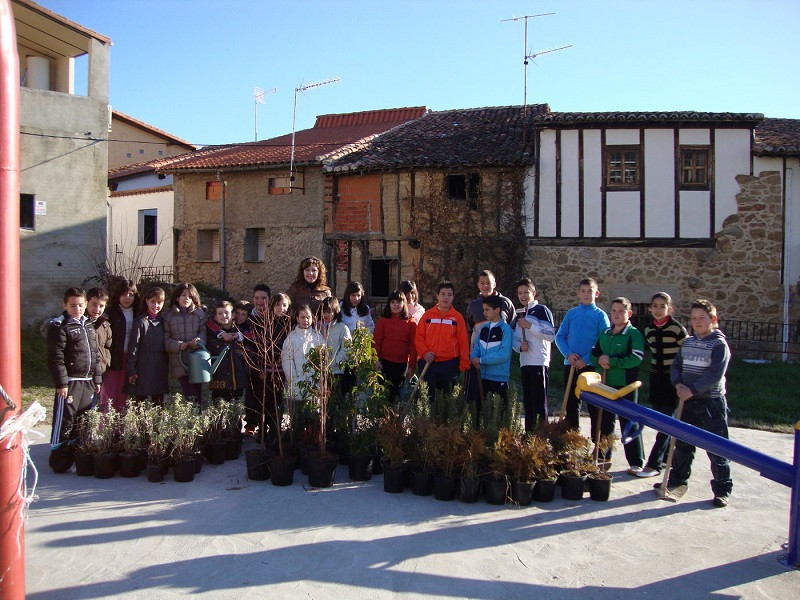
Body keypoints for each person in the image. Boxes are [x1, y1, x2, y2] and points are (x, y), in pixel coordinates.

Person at [667, 299, 732, 508]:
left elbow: (714, 374)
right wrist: (678, 385)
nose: (697, 322)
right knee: (682, 444)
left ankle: (722, 490)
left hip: (710, 402)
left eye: (702, 318)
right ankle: (677, 481)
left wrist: (692, 390)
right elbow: (676, 366)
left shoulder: (719, 344)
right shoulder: (688, 342)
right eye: (694, 318)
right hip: (686, 401)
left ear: (713, 319)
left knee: (717, 448)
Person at [47, 287, 102, 473]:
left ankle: (76, 455)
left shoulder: (88, 325)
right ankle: (59, 459)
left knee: (82, 420)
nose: (77, 309)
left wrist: (97, 378)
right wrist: (61, 383)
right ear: (65, 305)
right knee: (65, 421)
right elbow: (56, 358)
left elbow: (94, 355)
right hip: (70, 383)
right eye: (72, 305)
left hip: (87, 382)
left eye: (80, 305)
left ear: (85, 304)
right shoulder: (60, 326)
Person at [589, 297, 646, 474]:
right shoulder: (605, 333)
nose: (616, 314)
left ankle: (636, 460)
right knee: (604, 421)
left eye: (621, 311)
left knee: (628, 421)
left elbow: (636, 358)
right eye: (613, 311)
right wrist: (599, 359)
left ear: (629, 313)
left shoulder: (634, 334)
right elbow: (593, 353)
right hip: (605, 385)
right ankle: (603, 455)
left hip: (625, 385)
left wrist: (612, 361)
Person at [639, 292, 688, 478]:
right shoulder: (649, 330)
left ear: (670, 308)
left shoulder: (677, 329)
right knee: (661, 420)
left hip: (673, 380)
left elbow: (687, 353)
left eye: (662, 306)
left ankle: (654, 464)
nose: (658, 310)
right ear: (650, 308)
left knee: (666, 422)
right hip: (656, 379)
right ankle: (667, 458)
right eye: (655, 306)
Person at [554, 277, 610, 430]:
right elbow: (559, 337)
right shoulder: (572, 313)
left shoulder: (600, 316)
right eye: (583, 291)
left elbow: (603, 341)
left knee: (594, 406)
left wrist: (586, 359)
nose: (586, 294)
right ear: (578, 293)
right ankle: (571, 439)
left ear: (596, 293)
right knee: (571, 403)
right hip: (571, 364)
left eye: (590, 291)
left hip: (590, 366)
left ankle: (597, 445)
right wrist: (568, 354)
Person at [512, 277, 555, 432]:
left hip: (539, 361)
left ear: (534, 293)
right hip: (525, 362)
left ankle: (542, 436)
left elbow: (550, 335)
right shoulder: (519, 314)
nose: (523, 296)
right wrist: (519, 347)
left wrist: (530, 326)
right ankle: (529, 435)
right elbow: (515, 340)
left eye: (526, 292)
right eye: (520, 293)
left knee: (539, 402)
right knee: (528, 402)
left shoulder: (542, 310)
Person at [414, 280, 470, 399]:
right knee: (427, 399)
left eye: (449, 294)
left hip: (449, 364)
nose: (446, 297)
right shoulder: (427, 316)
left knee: (446, 400)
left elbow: (463, 342)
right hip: (429, 363)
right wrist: (424, 353)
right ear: (437, 296)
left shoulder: (457, 318)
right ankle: (426, 418)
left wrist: (463, 364)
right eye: (443, 294)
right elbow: (419, 337)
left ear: (453, 297)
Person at [470, 295, 514, 422]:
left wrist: (482, 360)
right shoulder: (484, 328)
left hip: (498, 378)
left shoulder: (506, 330)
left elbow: (504, 354)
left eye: (487, 309)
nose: (484, 313)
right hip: (482, 377)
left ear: (497, 310)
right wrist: (474, 357)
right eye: (483, 309)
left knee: (497, 416)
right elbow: (476, 346)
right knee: (479, 415)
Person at [163, 282, 207, 402]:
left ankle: (196, 418)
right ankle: (193, 417)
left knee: (197, 393)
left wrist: (198, 341)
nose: (186, 298)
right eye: (183, 295)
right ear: (177, 297)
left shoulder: (199, 314)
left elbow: (203, 333)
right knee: (189, 394)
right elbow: (165, 338)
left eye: (190, 296)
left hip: (196, 359)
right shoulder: (169, 316)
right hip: (179, 360)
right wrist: (178, 345)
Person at [100, 278, 138, 414]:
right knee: (108, 396)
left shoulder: (138, 313)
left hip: (130, 360)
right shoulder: (109, 313)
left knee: (124, 397)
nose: (127, 298)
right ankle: (105, 430)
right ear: (117, 295)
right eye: (123, 294)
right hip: (112, 359)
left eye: (131, 294)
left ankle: (119, 432)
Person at [126, 287, 169, 406]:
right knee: (141, 402)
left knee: (159, 402)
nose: (156, 306)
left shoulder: (164, 321)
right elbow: (133, 347)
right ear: (146, 301)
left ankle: (157, 424)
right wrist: (131, 370)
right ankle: (141, 424)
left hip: (160, 366)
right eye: (153, 302)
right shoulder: (140, 322)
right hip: (143, 366)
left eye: (159, 302)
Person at [373, 290, 417, 402]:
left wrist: (411, 366)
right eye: (392, 302)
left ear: (404, 304)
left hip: (401, 365)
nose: (396, 305)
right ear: (389, 304)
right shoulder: (383, 320)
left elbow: (413, 346)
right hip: (384, 363)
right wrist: (376, 360)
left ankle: (395, 418)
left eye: (399, 302)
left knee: (397, 395)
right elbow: (377, 341)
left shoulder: (411, 322)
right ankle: (382, 418)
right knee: (383, 394)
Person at [206, 301, 248, 403]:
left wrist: (236, 335)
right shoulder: (212, 334)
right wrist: (221, 334)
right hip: (219, 382)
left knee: (235, 413)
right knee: (218, 413)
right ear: (215, 317)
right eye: (220, 313)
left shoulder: (241, 333)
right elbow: (207, 324)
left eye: (226, 313)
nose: (224, 316)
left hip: (237, 381)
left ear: (233, 315)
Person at [281, 304, 325, 403]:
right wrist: (295, 380)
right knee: (297, 414)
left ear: (312, 319)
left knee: (313, 414)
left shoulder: (317, 337)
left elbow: (323, 358)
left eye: (308, 317)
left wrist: (318, 379)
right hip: (297, 384)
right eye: (302, 317)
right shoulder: (291, 338)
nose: (305, 320)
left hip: (315, 384)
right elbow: (287, 361)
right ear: (297, 319)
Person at [287, 256, 331, 321]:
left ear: (319, 272)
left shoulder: (325, 292)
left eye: (314, 270)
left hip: (318, 328)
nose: (310, 273)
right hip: (298, 328)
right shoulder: (294, 289)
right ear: (302, 272)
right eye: (307, 270)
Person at [86, 287, 112, 379]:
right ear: (86, 303)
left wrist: (106, 362)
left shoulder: (105, 325)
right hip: (83, 373)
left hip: (100, 371)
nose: (97, 309)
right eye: (94, 304)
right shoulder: (81, 323)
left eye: (101, 306)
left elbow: (107, 346)